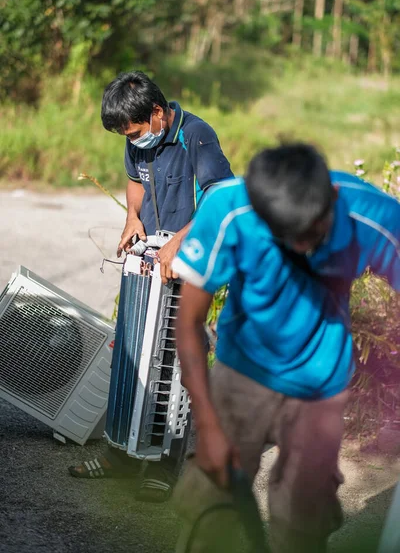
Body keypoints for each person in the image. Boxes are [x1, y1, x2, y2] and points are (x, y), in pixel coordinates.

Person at [171, 143, 400, 552]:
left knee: (303, 517)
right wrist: (207, 426)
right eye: (285, 237)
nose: (300, 248)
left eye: (311, 234)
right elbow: (188, 323)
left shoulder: (372, 214)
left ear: (330, 198)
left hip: (320, 385)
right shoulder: (228, 208)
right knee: (214, 501)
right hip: (241, 373)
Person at [68, 70, 233, 502]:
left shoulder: (196, 135)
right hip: (147, 265)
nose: (132, 138)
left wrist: (180, 241)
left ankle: (163, 465)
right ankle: (120, 453)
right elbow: (135, 180)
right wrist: (131, 218)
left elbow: (220, 195)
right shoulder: (136, 136)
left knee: (173, 367)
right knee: (130, 355)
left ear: (158, 113)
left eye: (136, 131)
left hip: (186, 266)